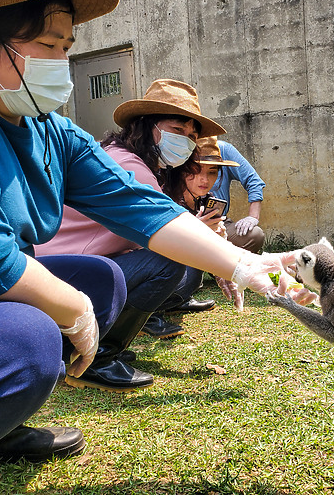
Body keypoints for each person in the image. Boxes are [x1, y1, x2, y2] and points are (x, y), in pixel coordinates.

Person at [0, 0, 314, 492]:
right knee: (26, 344)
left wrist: (244, 263)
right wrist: (70, 306)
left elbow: (135, 204)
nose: (60, 64)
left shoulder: (43, 127)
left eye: (67, 48)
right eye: (47, 45)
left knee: (101, 281)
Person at [36, 79, 230, 392]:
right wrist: (231, 266)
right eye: (177, 130)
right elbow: (164, 231)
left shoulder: (134, 161)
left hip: (72, 267)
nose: (186, 141)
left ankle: (92, 346)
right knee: (167, 260)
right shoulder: (130, 168)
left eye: (192, 136)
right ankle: (92, 357)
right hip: (61, 273)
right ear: (146, 126)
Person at [162, 135, 247, 310]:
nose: (205, 180)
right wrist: (195, 230)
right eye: (196, 170)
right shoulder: (164, 195)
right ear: (181, 169)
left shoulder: (207, 200)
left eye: (212, 172)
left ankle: (177, 300)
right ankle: (154, 312)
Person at [211, 140, 266, 253]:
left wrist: (253, 217)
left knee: (255, 234)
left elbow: (253, 180)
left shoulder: (221, 149)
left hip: (218, 222)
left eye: (212, 172)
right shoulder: (174, 155)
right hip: (182, 224)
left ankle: (225, 266)